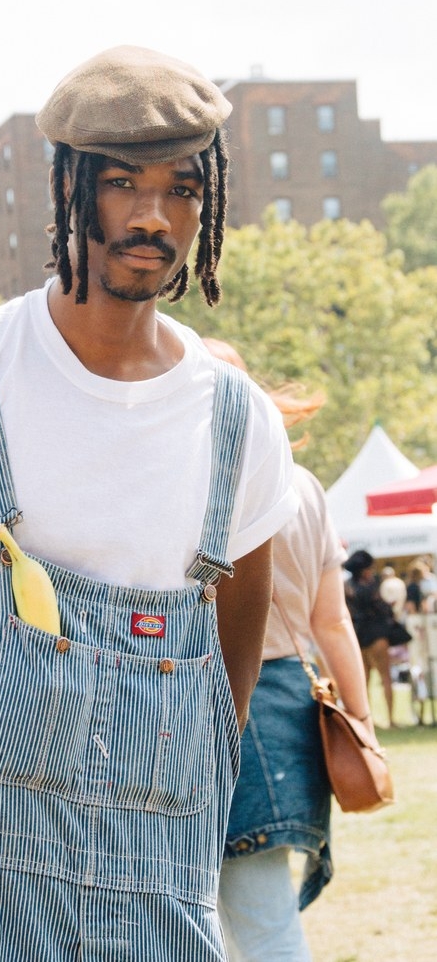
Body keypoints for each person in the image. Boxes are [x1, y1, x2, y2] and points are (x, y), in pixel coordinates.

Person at [0, 44, 297, 961]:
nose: (153, 216)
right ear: (68, 186)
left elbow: (218, 703)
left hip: (158, 906)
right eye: (122, 183)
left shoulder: (236, 423)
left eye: (184, 190)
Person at [206, 340, 374, 962]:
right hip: (290, 710)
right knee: (249, 920)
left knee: (247, 924)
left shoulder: (200, 489)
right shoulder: (304, 487)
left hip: (218, 702)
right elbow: (332, 623)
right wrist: (358, 719)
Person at [344, 549, 399, 727]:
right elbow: (383, 609)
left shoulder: (347, 587)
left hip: (358, 635)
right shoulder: (372, 586)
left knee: (364, 680)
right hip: (376, 634)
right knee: (385, 677)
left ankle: (367, 722)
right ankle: (390, 719)